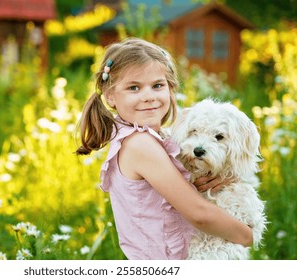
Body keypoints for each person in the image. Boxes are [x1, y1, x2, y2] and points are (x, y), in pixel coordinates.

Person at [75, 37, 252, 260]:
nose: (148, 96)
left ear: (170, 88)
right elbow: (199, 214)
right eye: (134, 87)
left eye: (157, 85)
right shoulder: (140, 145)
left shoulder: (149, 139)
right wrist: (247, 236)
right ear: (110, 96)